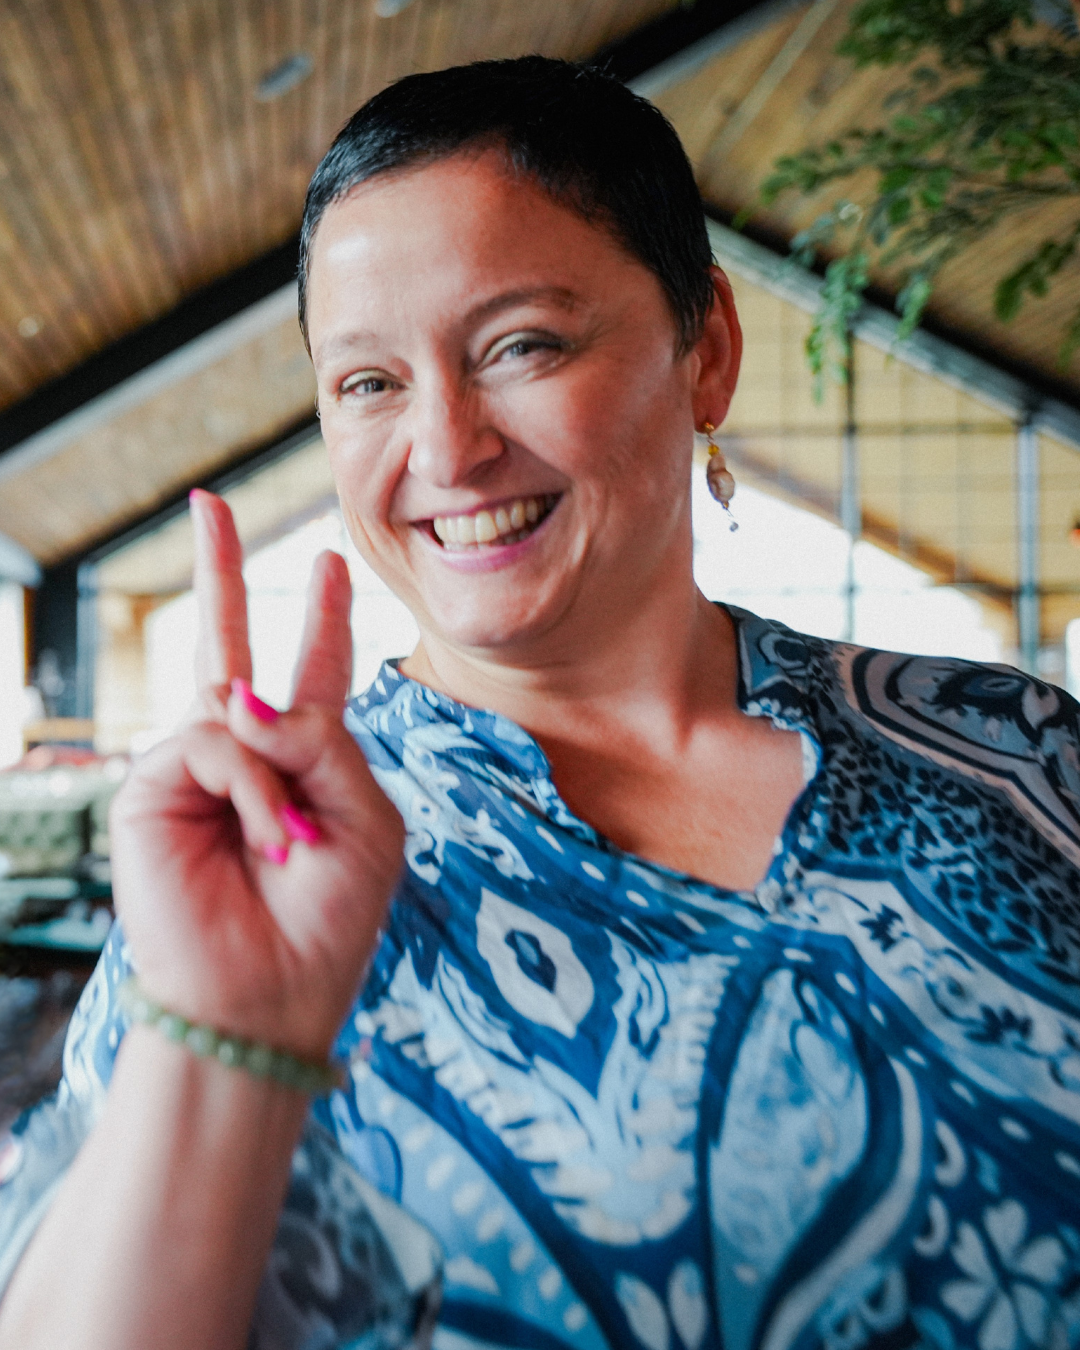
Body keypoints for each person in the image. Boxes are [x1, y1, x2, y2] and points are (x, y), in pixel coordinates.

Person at [2, 53, 1080, 1350]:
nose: (447, 450)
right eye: (369, 383)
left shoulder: (1015, 753)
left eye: (522, 345)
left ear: (708, 350)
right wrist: (222, 1039)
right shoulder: (258, 866)